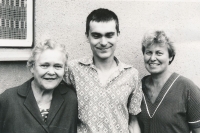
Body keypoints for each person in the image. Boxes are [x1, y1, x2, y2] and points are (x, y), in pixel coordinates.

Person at [65, 8, 142, 133]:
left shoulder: (131, 74)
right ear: (87, 36)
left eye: (109, 35)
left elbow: (133, 123)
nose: (103, 42)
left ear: (118, 35)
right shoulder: (73, 70)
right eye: (96, 36)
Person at [0, 40, 78, 133]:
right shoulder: (8, 99)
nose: (51, 72)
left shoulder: (70, 99)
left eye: (57, 66)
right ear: (32, 67)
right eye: (45, 65)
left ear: (64, 69)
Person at [137, 30, 200, 133]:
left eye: (159, 53)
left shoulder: (187, 88)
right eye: (148, 52)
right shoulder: (137, 88)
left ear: (170, 57)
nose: (152, 58)